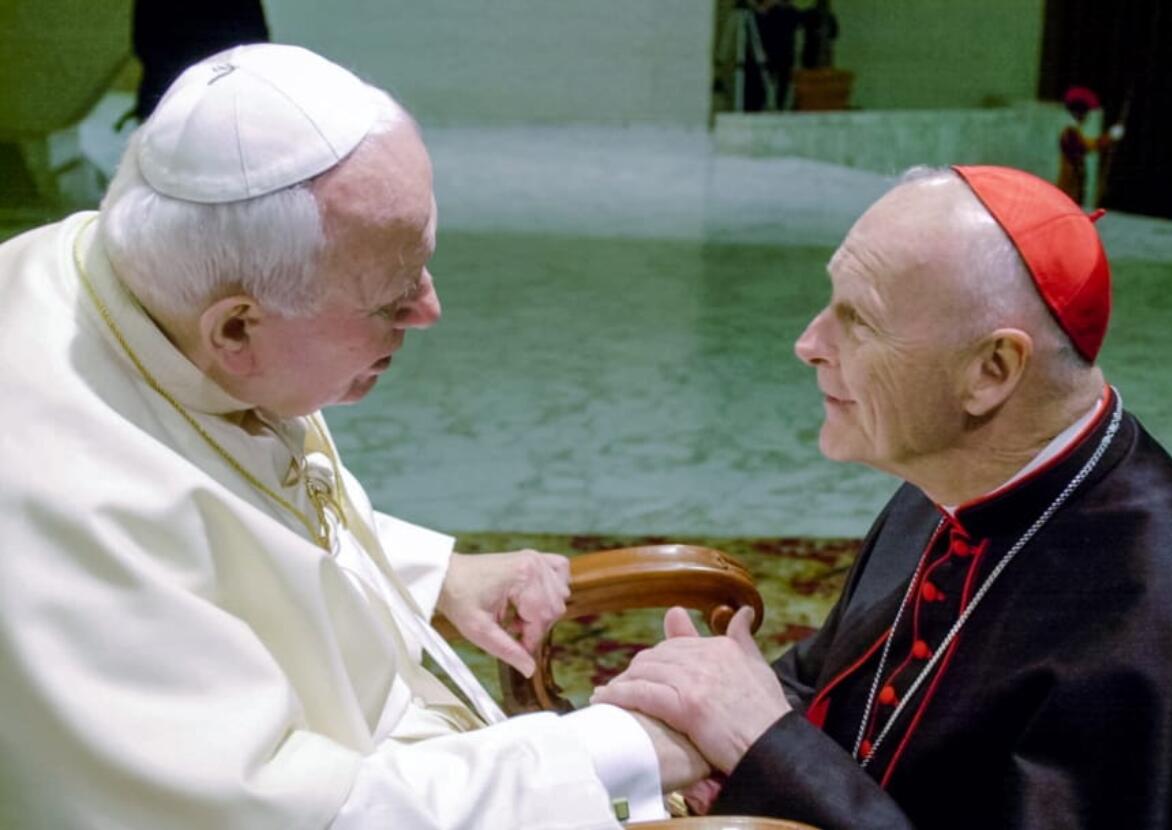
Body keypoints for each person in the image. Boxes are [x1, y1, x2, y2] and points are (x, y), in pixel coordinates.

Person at [0, 44, 707, 828]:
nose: (429, 310)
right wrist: (618, 749)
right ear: (236, 327)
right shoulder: (57, 511)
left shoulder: (125, 276)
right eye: (388, 300)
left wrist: (431, 577)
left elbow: (230, 500)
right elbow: (283, 813)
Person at [594, 165, 1172, 828]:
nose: (808, 344)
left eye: (858, 320)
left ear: (992, 371)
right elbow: (827, 681)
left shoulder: (1160, 622)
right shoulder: (957, 466)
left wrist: (764, 748)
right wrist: (700, 720)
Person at [1057, 86, 1124, 207]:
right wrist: (1110, 137)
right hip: (1069, 185)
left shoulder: (1074, 130)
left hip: (1074, 184)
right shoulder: (1070, 132)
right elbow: (1087, 146)